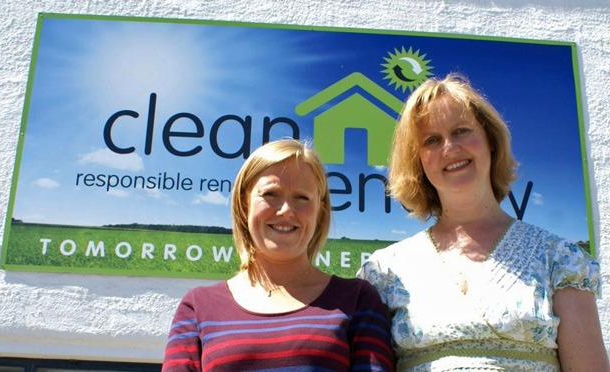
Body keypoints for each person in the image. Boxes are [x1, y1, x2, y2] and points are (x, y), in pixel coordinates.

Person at [358, 74, 610, 371]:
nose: (450, 148)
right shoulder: (385, 271)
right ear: (418, 162)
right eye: (432, 140)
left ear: (490, 141)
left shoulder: (559, 259)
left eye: (461, 131)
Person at [163, 139, 395, 371]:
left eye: (302, 197)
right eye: (271, 194)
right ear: (245, 205)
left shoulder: (357, 299)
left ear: (319, 211)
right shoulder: (197, 306)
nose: (286, 210)